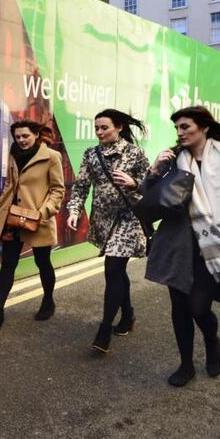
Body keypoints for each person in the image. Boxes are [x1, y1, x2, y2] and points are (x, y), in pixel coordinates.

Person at [142, 106, 220, 387]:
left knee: (198, 307)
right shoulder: (174, 160)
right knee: (178, 307)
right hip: (177, 243)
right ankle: (185, 364)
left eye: (185, 127)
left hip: (213, 245)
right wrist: (155, 170)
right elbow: (150, 197)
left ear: (204, 127)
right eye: (177, 128)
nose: (180, 133)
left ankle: (211, 340)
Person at [66, 109, 151, 354]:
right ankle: (128, 315)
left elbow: (151, 187)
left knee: (113, 268)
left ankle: (104, 330)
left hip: (128, 219)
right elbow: (81, 187)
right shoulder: (91, 154)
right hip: (103, 221)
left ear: (119, 127)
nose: (100, 132)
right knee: (118, 271)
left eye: (105, 127)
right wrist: (74, 210)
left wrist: (134, 183)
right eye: (97, 128)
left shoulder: (135, 154)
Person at [0, 120, 65, 327]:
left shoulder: (52, 157)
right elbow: (10, 183)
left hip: (37, 219)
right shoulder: (13, 153)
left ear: (36, 135)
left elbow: (58, 190)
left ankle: (48, 301)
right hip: (14, 219)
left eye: (25, 136)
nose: (21, 140)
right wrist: (3, 206)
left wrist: (42, 213)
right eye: (17, 137)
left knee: (42, 262)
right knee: (8, 264)